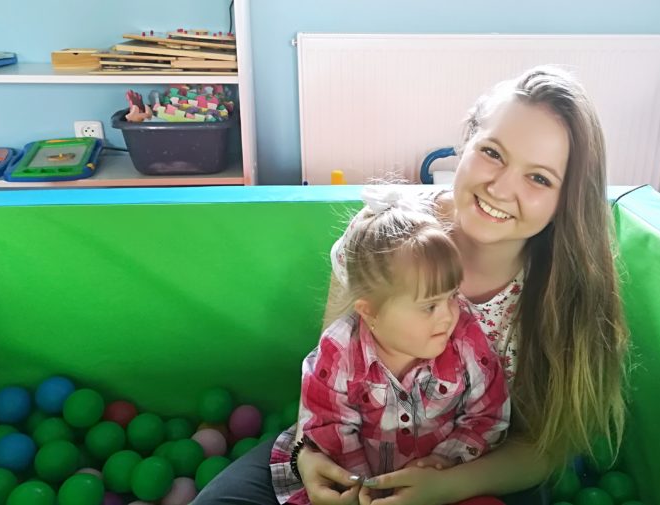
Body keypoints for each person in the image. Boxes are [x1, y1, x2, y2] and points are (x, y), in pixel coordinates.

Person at [193, 65, 628, 505]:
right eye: (492, 153)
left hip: (478, 470)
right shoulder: (385, 237)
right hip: (349, 449)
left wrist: (445, 487)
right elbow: (331, 370)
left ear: (567, 199)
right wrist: (308, 454)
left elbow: (544, 446)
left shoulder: (562, 288)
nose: (500, 187)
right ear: (466, 144)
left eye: (539, 178)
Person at [268, 187, 511, 505]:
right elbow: (330, 426)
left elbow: (487, 415)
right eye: (429, 306)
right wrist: (363, 490)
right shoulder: (340, 352)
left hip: (439, 485)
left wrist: (444, 461)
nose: (449, 314)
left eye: (452, 295)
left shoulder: (466, 340)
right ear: (370, 311)